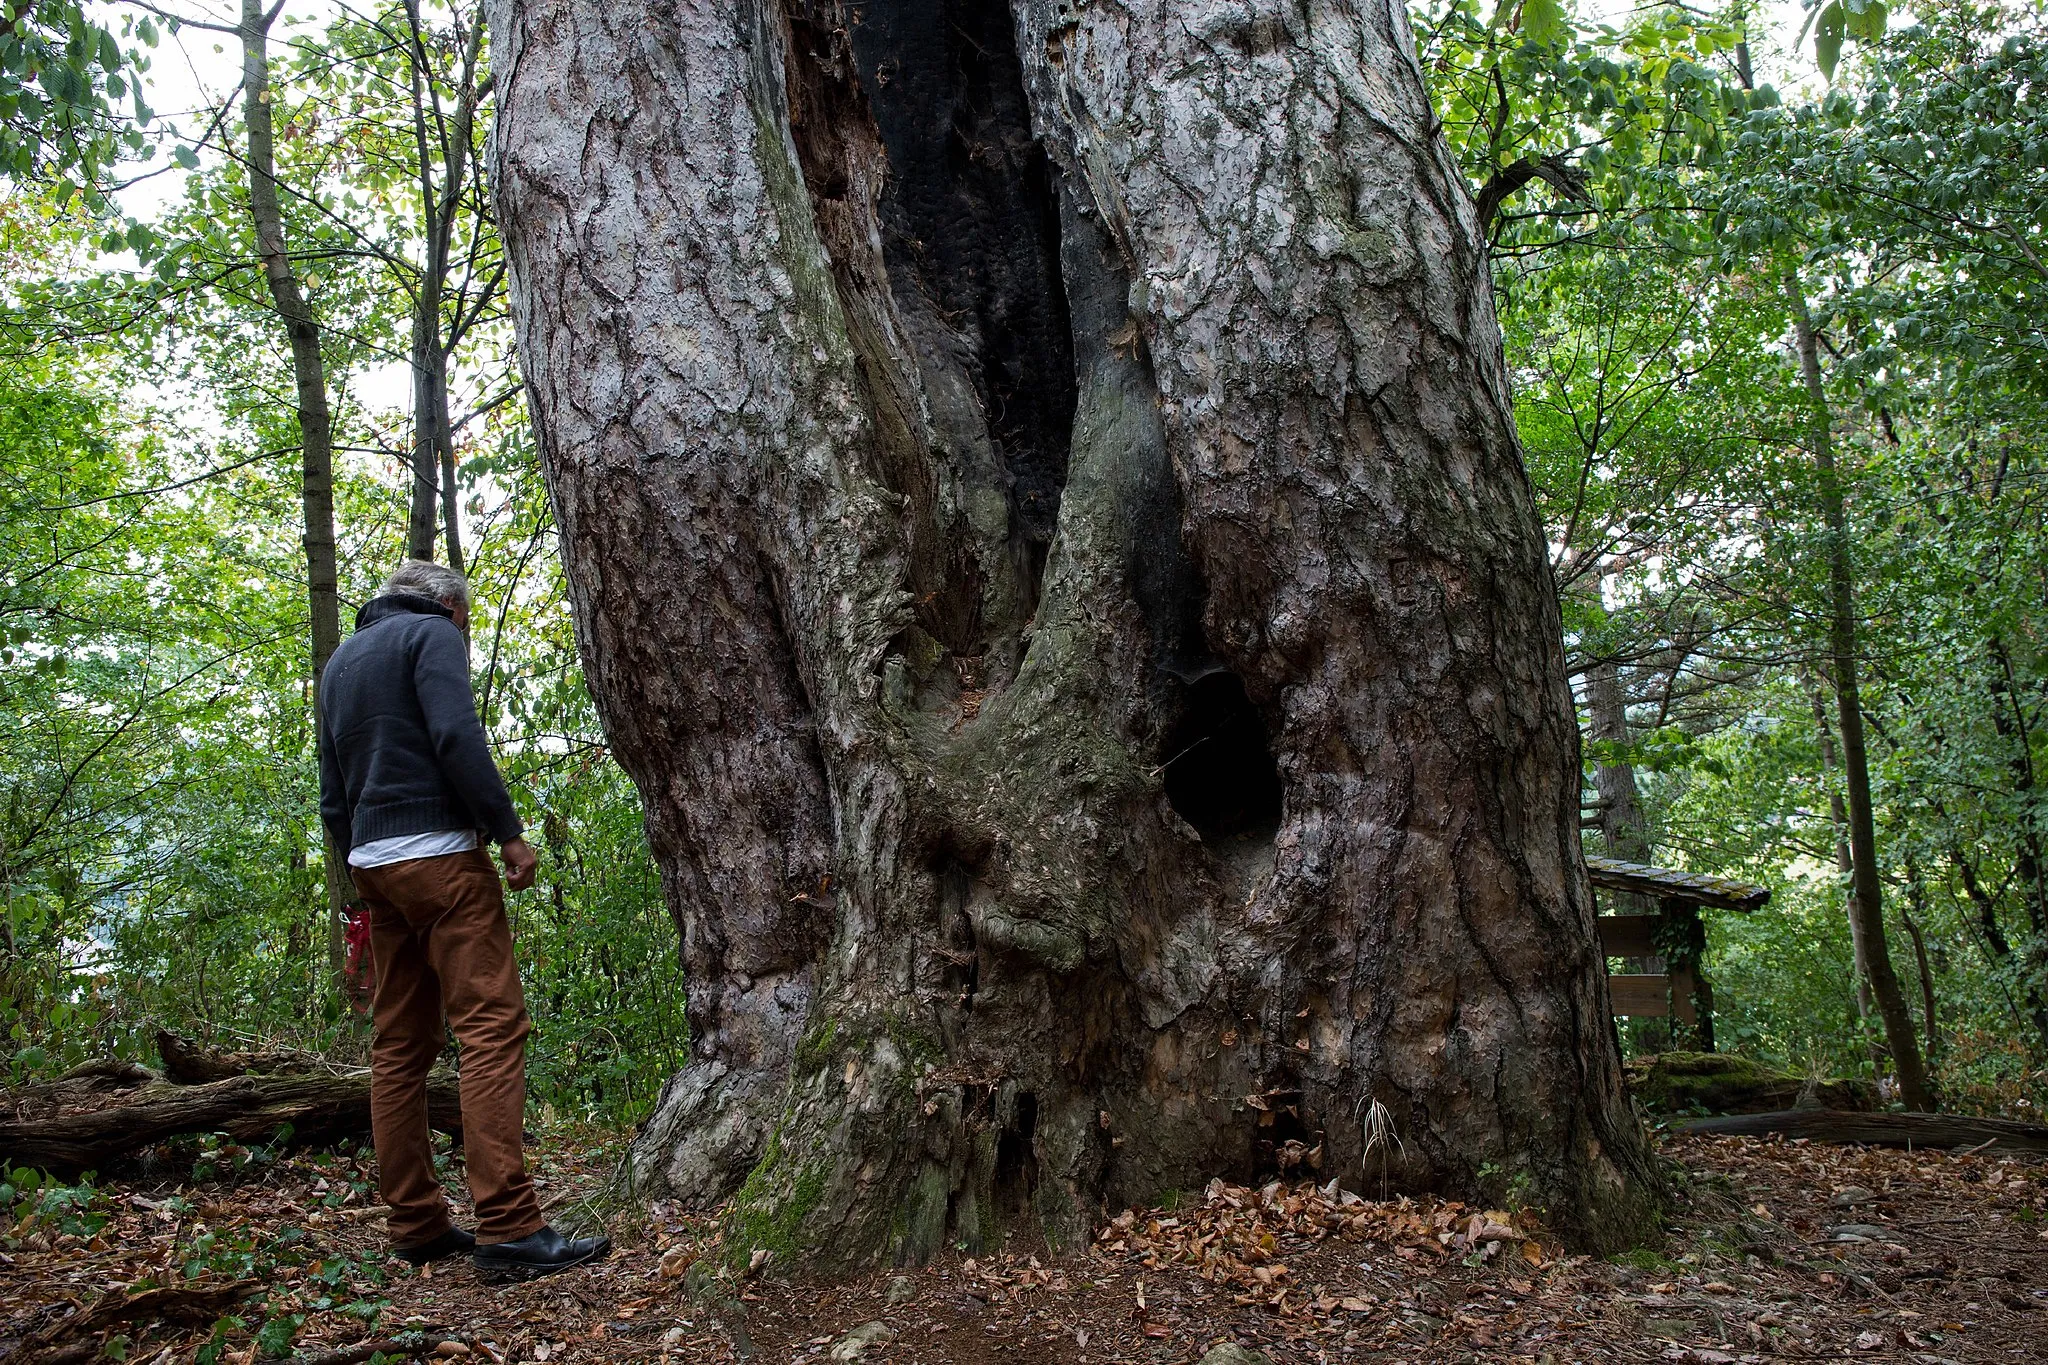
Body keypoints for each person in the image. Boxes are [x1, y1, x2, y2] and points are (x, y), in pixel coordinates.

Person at [319, 559, 608, 1281]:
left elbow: (332, 789)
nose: (467, 637)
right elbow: (454, 734)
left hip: (373, 863)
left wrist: (358, 875)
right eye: (468, 625)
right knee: (489, 1027)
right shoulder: (430, 635)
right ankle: (508, 1225)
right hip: (443, 859)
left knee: (399, 1045)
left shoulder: (341, 661)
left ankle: (415, 1221)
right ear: (447, 607)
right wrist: (508, 831)